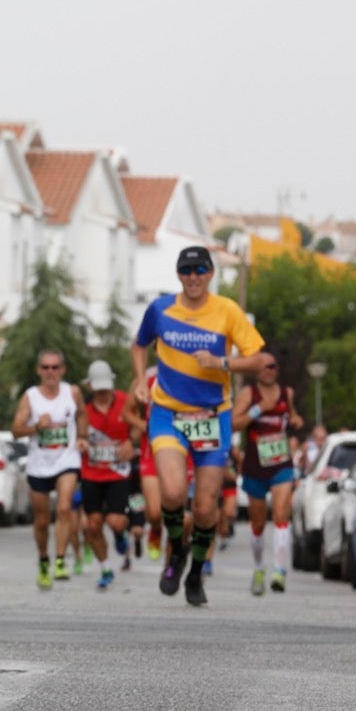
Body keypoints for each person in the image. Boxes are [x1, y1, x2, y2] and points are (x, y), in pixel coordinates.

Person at [132, 246, 267, 606]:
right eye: (187, 270)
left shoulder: (226, 310)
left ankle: (194, 573)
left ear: (210, 274)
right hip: (168, 413)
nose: (193, 277)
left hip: (211, 417)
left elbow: (257, 359)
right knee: (172, 495)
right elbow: (139, 344)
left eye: (200, 270)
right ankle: (177, 550)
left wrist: (221, 361)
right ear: (179, 275)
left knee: (206, 509)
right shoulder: (160, 309)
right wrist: (137, 380)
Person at [12, 348, 87, 589]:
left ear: (62, 370)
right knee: (42, 521)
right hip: (39, 464)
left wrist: (82, 436)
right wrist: (36, 426)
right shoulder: (30, 397)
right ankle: (44, 560)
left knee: (65, 508)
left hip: (67, 459)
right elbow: (16, 430)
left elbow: (82, 415)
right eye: (45, 368)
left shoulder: (72, 392)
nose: (50, 372)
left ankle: (61, 559)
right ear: (38, 371)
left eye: (55, 367)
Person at [232, 350, 303, 594]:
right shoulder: (248, 394)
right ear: (255, 371)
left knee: (282, 515)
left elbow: (291, 415)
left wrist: (296, 420)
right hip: (255, 465)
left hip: (281, 463)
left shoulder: (287, 393)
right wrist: (258, 409)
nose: (268, 371)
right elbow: (233, 423)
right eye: (263, 367)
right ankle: (259, 567)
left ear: (277, 369)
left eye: (272, 366)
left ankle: (280, 571)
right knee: (258, 523)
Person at [78, 360, 134, 590]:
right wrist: (80, 443)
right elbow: (75, 435)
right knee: (93, 525)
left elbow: (140, 426)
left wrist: (131, 442)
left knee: (115, 521)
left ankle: (121, 535)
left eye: (105, 386)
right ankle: (106, 569)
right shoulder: (83, 411)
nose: (102, 391)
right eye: (97, 387)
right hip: (91, 473)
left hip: (118, 473)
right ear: (90, 386)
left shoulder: (125, 401)